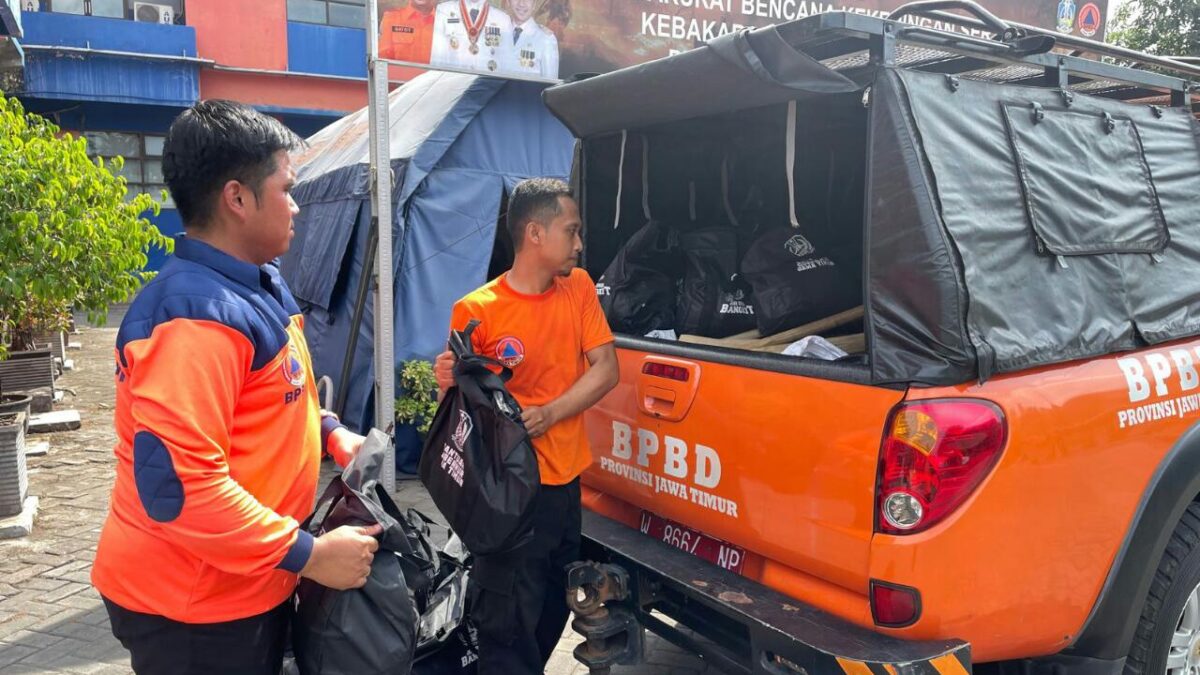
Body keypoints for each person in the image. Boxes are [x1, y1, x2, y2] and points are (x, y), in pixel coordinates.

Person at [91, 100, 381, 675]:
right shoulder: (195, 318)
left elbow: (273, 395)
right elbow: (182, 490)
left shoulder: (257, 283)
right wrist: (312, 557)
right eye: (287, 188)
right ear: (238, 198)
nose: (297, 207)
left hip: (244, 580)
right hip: (194, 606)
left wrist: (328, 432)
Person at [434, 178, 618, 674]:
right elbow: (457, 412)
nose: (579, 245)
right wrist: (447, 381)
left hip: (563, 486)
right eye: (571, 231)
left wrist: (551, 413)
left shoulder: (577, 289)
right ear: (535, 233)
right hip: (509, 496)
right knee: (507, 624)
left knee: (552, 607)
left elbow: (606, 368)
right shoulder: (479, 310)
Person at [430, 0, 513, 74]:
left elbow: (506, 66)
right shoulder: (444, 10)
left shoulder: (503, 19)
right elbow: (437, 59)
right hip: (452, 84)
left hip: (486, 86)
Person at [502, 0, 559, 79]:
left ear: (534, 5)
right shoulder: (499, 31)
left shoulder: (546, 39)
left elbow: (549, 84)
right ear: (508, 2)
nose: (521, 4)